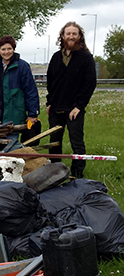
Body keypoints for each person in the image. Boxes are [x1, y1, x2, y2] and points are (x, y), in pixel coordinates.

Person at [47, 21, 97, 178]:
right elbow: (51, 81)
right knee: (54, 143)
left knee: (77, 143)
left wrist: (79, 107)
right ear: (62, 36)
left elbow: (90, 84)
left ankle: (77, 176)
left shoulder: (86, 58)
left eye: (74, 34)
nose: (71, 36)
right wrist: (49, 102)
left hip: (74, 110)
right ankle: (55, 174)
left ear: (79, 36)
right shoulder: (56, 57)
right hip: (55, 108)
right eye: (68, 33)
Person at [0, 35, 39, 130]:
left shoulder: (22, 66)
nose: (6, 52)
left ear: (13, 49)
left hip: (14, 114)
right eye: (3, 49)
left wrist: (32, 113)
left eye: (9, 49)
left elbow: (30, 90)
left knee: (13, 142)